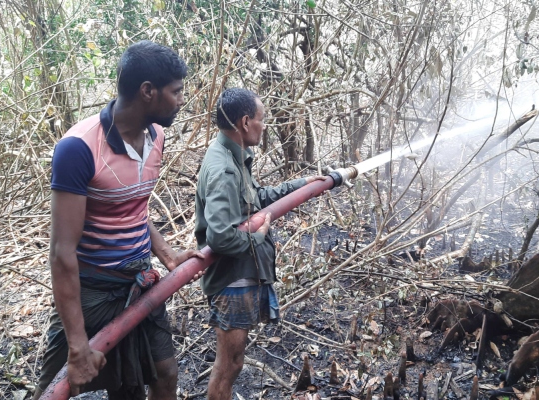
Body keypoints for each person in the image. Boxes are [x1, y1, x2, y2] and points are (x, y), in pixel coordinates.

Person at [35, 40, 204, 400]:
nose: (182, 100)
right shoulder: (78, 149)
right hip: (92, 292)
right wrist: (79, 346)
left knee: (164, 374)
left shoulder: (156, 137)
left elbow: (133, 208)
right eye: (176, 92)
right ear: (147, 92)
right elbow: (61, 253)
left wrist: (168, 255)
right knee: (54, 390)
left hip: (139, 281)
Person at [194, 88, 327, 399]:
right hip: (233, 281)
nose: (263, 126)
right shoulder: (224, 169)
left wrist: (301, 185)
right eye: (260, 119)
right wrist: (259, 237)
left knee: (233, 364)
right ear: (244, 122)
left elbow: (256, 200)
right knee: (229, 365)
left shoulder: (233, 157)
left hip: (242, 275)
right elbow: (221, 236)